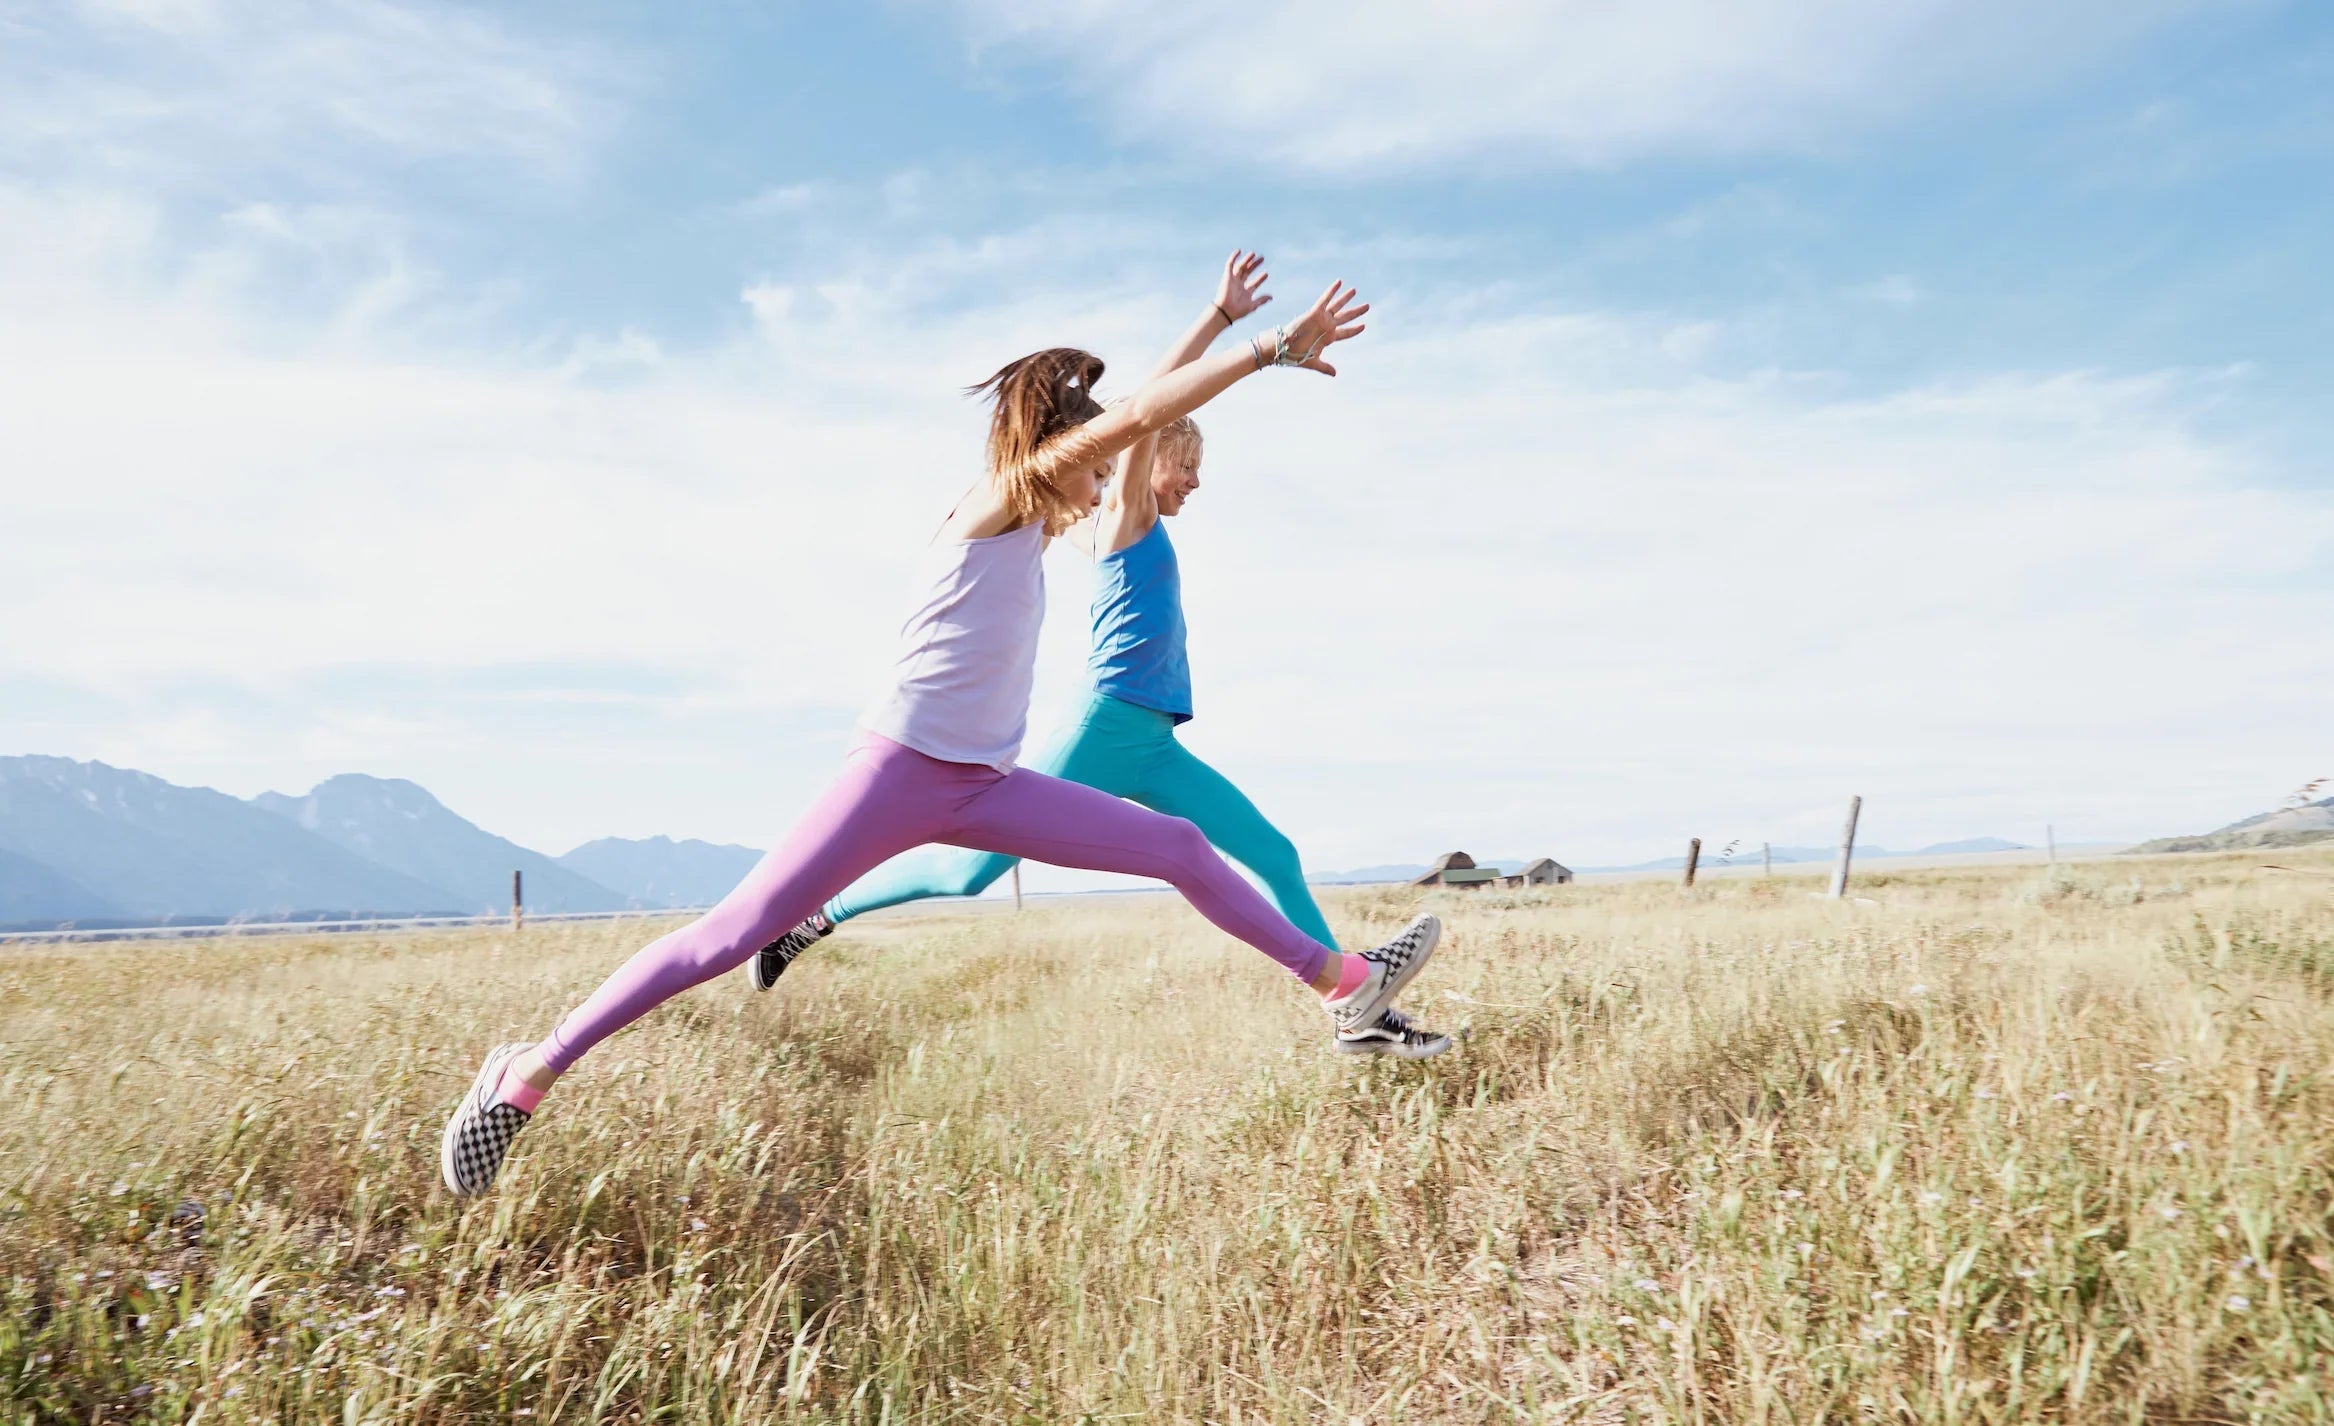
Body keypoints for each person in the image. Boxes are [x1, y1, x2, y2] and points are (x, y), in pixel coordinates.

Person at [441, 276, 1441, 1196]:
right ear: (1059, 450)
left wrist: (1213, 327)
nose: (1102, 490)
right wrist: (1264, 346)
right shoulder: (996, 500)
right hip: (895, 774)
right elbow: (1138, 417)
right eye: (1090, 468)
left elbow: (1140, 411)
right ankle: (526, 1074)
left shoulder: (1041, 520)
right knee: (724, 936)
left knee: (1180, 848)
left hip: (985, 782)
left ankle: (1345, 988)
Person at [744, 252, 1448, 1060]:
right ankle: (814, 918)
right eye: (1190, 466)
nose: (1194, 485)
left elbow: (1146, 422)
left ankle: (1352, 1007)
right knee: (970, 877)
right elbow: (1143, 412)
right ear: (1159, 459)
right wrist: (1218, 323)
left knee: (1273, 854)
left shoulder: (1134, 529)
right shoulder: (1123, 521)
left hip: (1152, 743)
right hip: (1105, 727)